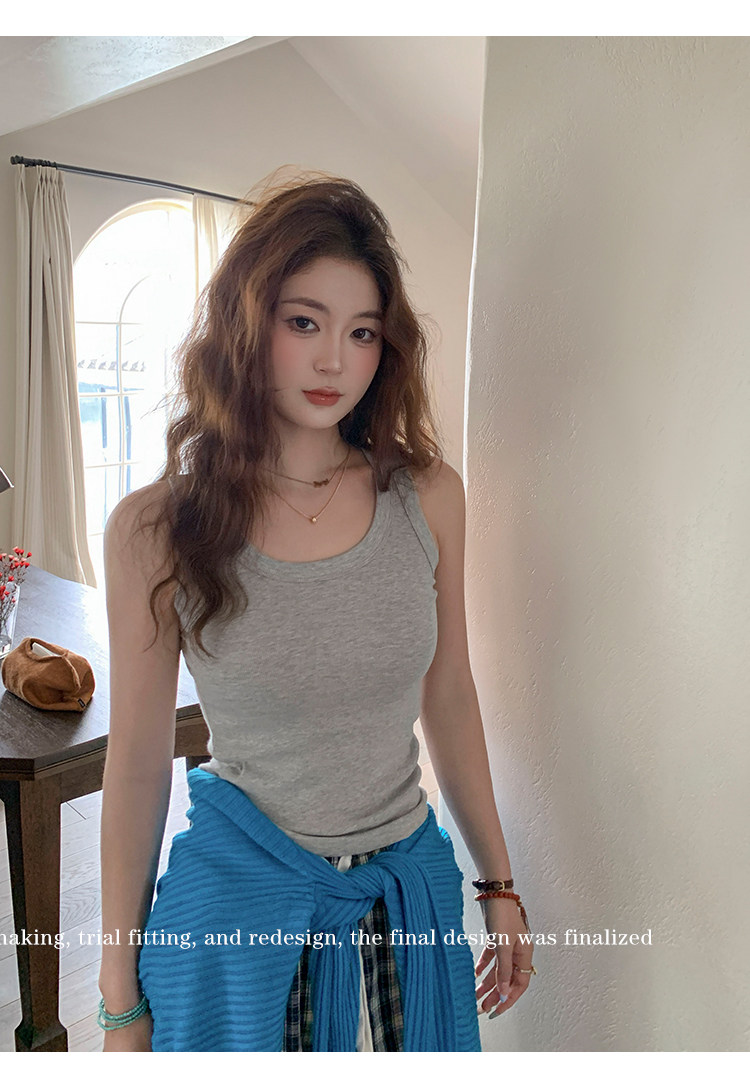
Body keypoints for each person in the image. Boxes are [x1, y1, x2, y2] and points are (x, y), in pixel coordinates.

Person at [97, 171, 534, 1052]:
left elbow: (449, 693)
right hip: (237, 911)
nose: (335, 359)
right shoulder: (157, 527)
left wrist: (497, 884)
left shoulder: (427, 496)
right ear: (245, 324)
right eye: (304, 322)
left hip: (407, 901)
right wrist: (118, 999)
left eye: (361, 331)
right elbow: (138, 763)